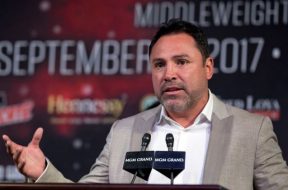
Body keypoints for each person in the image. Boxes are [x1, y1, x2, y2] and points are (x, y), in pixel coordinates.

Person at [3, 19, 288, 189]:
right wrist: (42, 172)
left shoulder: (252, 131)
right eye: (159, 64)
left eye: (182, 62)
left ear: (208, 67)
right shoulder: (125, 132)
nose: (169, 73)